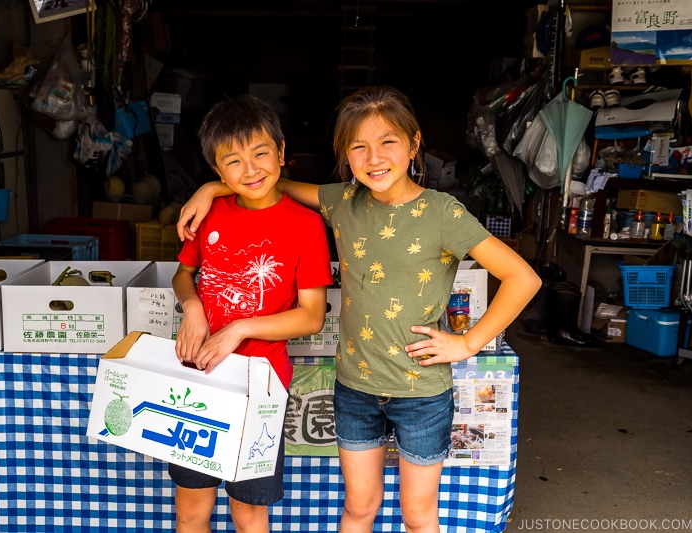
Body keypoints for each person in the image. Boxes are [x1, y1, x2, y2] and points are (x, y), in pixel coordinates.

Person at [176, 86, 541, 533]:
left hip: (421, 393)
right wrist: (212, 187)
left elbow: (524, 278)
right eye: (358, 147)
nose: (374, 158)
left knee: (418, 516)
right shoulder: (343, 202)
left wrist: (467, 342)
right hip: (356, 388)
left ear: (414, 143)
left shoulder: (443, 212)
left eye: (388, 141)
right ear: (345, 156)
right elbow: (265, 182)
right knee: (358, 509)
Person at [170, 93, 333, 533]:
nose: (251, 169)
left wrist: (238, 329)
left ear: (281, 153)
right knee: (191, 508)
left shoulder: (305, 225)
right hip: (196, 380)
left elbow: (311, 316)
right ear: (217, 171)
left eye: (261, 153)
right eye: (234, 161)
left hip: (259, 388)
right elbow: (183, 275)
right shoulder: (209, 212)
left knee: (248, 510)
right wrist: (192, 308)